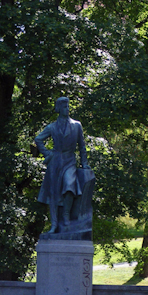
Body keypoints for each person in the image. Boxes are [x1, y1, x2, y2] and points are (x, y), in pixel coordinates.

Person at [35, 97, 91, 234]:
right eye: (64, 106)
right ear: (58, 108)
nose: (67, 109)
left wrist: (84, 163)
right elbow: (38, 139)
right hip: (55, 162)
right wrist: (47, 154)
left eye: (68, 106)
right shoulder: (52, 127)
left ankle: (66, 214)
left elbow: (82, 146)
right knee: (53, 193)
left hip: (69, 160)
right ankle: (54, 224)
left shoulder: (76, 125)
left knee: (69, 185)